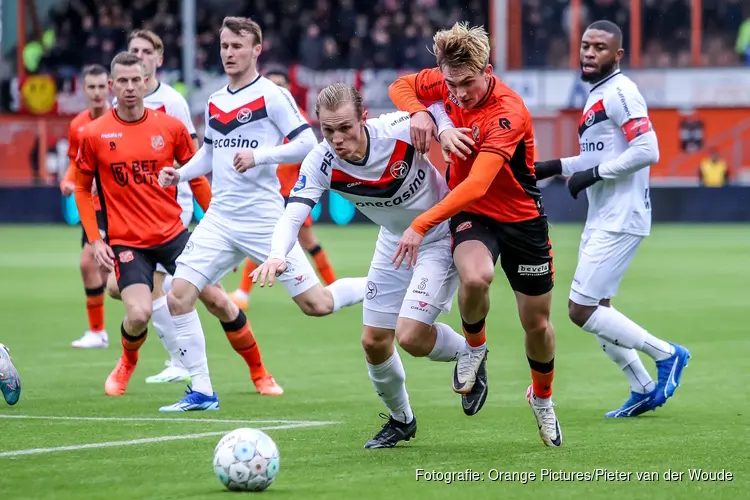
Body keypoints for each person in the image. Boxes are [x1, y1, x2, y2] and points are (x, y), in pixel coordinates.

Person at [157, 17, 366, 412]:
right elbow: (210, 152)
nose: (229, 53)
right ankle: (202, 392)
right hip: (219, 218)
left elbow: (308, 141)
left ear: (256, 50)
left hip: (264, 220)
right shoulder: (216, 100)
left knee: (316, 305)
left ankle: (380, 286)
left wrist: (260, 156)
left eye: (237, 46)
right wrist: (180, 173)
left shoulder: (271, 95)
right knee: (178, 297)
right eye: (224, 46)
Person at [253, 84, 474, 448]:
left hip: (439, 235)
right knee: (374, 341)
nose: (337, 139)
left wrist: (439, 123)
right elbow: (292, 215)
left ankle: (470, 353)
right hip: (393, 240)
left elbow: (437, 106)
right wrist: (278, 254)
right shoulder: (321, 161)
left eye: (345, 128)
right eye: (327, 130)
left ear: (364, 119)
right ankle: (402, 420)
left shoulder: (397, 130)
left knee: (412, 338)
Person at [388, 22, 560, 447]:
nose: (459, 93)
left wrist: (420, 223)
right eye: (451, 84)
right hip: (473, 215)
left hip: (521, 221)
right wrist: (423, 112)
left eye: (467, 83)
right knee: (475, 276)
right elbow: (400, 86)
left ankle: (541, 399)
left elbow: (478, 183)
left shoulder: (508, 111)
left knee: (536, 323)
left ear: (487, 70)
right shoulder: (444, 83)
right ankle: (475, 347)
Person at [75, 52, 278, 409]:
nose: (129, 87)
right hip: (127, 242)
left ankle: (260, 373)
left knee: (218, 300)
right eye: (121, 81)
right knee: (138, 314)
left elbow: (197, 176)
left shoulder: (168, 127)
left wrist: (222, 230)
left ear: (146, 80)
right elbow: (80, 187)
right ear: (111, 86)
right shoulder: (93, 134)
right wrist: (95, 239)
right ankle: (127, 363)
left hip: (173, 235)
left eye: (135, 79)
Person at [534, 20, 690, 418]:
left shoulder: (622, 92)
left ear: (617, 55)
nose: (589, 53)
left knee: (580, 310)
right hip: (603, 214)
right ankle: (641, 386)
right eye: (585, 45)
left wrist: (594, 175)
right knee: (599, 308)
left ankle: (667, 354)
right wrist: (552, 166)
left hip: (621, 216)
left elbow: (648, 149)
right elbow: (595, 158)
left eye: (599, 47)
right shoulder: (598, 95)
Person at [230, 69, 336, 310]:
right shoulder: (261, 117)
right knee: (267, 242)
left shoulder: (296, 118)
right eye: (272, 84)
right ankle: (243, 294)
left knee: (308, 242)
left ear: (288, 87)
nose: (276, 88)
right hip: (271, 193)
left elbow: (308, 152)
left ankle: (332, 287)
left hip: (293, 193)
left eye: (280, 84)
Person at [60, 64, 112, 349]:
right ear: (84, 89)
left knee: (91, 264)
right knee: (93, 267)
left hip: (115, 204)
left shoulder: (116, 121)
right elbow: (74, 161)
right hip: (91, 207)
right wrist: (69, 182)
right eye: (91, 87)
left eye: (101, 86)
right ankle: (98, 331)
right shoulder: (78, 124)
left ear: (109, 87)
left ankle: (100, 331)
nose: (96, 92)